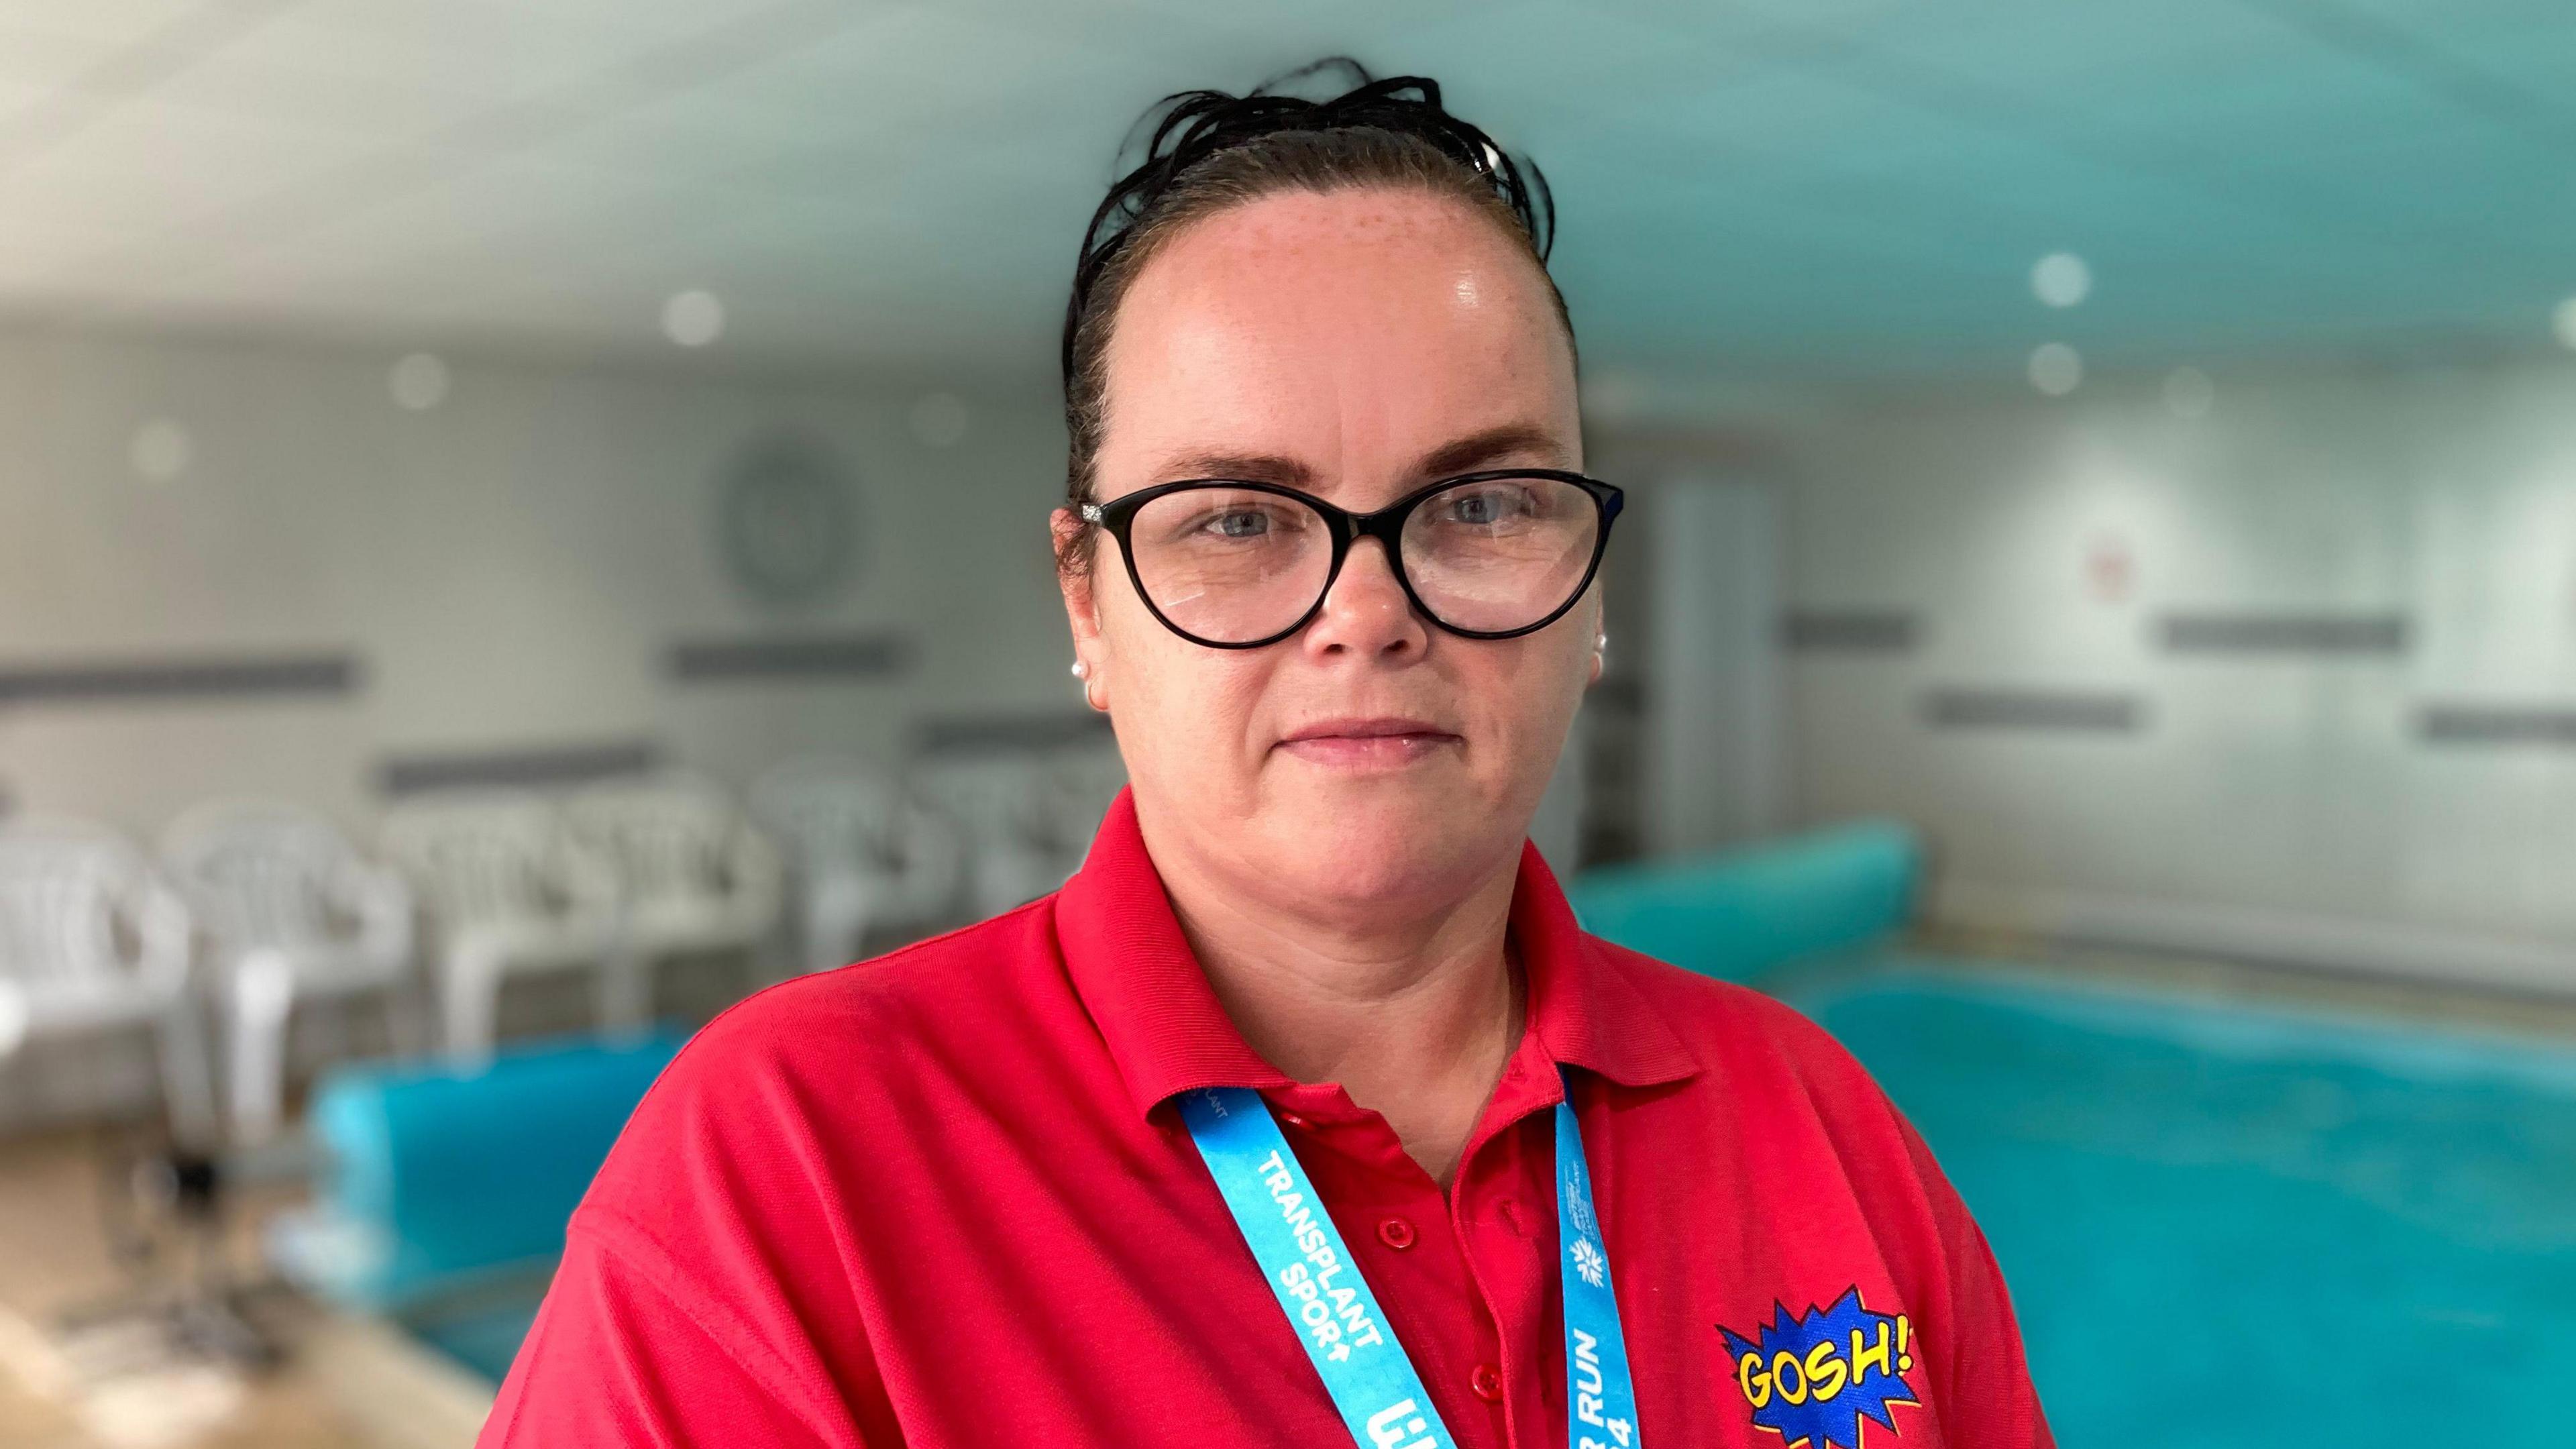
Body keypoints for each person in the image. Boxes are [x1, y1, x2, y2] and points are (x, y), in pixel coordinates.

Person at [480, 60, 2053, 1448]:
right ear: (1086, 606)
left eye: (1485, 504)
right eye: (1237, 517)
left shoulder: (1815, 1129)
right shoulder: (792, 1178)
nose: (1365, 613)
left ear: (1592, 594)